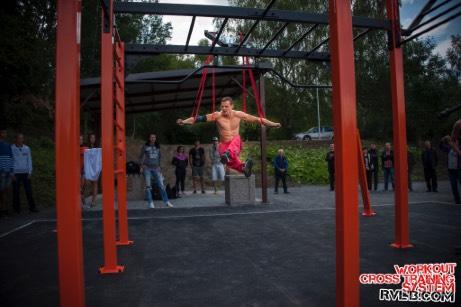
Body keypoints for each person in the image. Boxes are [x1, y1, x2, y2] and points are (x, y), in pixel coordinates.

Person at [177, 96, 281, 177]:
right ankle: (244, 167)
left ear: (232, 106)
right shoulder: (217, 115)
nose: (224, 108)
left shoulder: (239, 114)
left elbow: (258, 120)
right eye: (222, 106)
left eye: (226, 106)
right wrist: (184, 121)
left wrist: (273, 124)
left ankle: (228, 154)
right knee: (231, 163)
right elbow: (198, 119)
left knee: (236, 139)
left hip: (235, 144)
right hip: (224, 145)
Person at [139, 133, 173, 208]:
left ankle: (167, 201)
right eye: (151, 137)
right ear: (149, 138)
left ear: (155, 138)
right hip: (147, 168)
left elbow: (160, 157)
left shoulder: (158, 147)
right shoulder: (145, 146)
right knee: (148, 186)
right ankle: (150, 202)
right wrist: (141, 166)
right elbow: (141, 157)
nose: (153, 138)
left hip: (156, 168)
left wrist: (160, 166)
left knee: (161, 185)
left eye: (154, 137)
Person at [11, 133, 38, 213]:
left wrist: (30, 172)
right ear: (15, 139)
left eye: (22, 138)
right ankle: (16, 209)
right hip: (16, 173)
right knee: (16, 191)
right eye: (19, 138)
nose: (20, 140)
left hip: (26, 173)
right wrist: (11, 173)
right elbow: (10, 161)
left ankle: (32, 207)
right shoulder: (11, 148)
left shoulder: (27, 148)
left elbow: (29, 160)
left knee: (29, 191)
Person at [84, 133, 101, 207]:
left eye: (94, 138)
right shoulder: (85, 147)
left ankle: (93, 201)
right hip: (87, 167)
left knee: (95, 183)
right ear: (89, 138)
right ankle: (83, 199)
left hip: (95, 167)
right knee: (86, 183)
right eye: (91, 137)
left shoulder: (98, 147)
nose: (92, 139)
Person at [0, 127, 13, 217]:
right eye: (3, 133)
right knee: (1, 191)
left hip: (8, 171)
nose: (5, 134)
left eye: (5, 133)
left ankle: (6, 209)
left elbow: (11, 158)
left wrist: (11, 170)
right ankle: (2, 209)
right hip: (1, 171)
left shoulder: (8, 145)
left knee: (7, 191)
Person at [79, 135, 88, 207]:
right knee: (80, 187)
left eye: (81, 139)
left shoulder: (85, 148)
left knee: (82, 187)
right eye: (79, 139)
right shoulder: (73, 148)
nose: (80, 140)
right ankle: (82, 203)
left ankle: (83, 203)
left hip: (83, 170)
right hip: (77, 170)